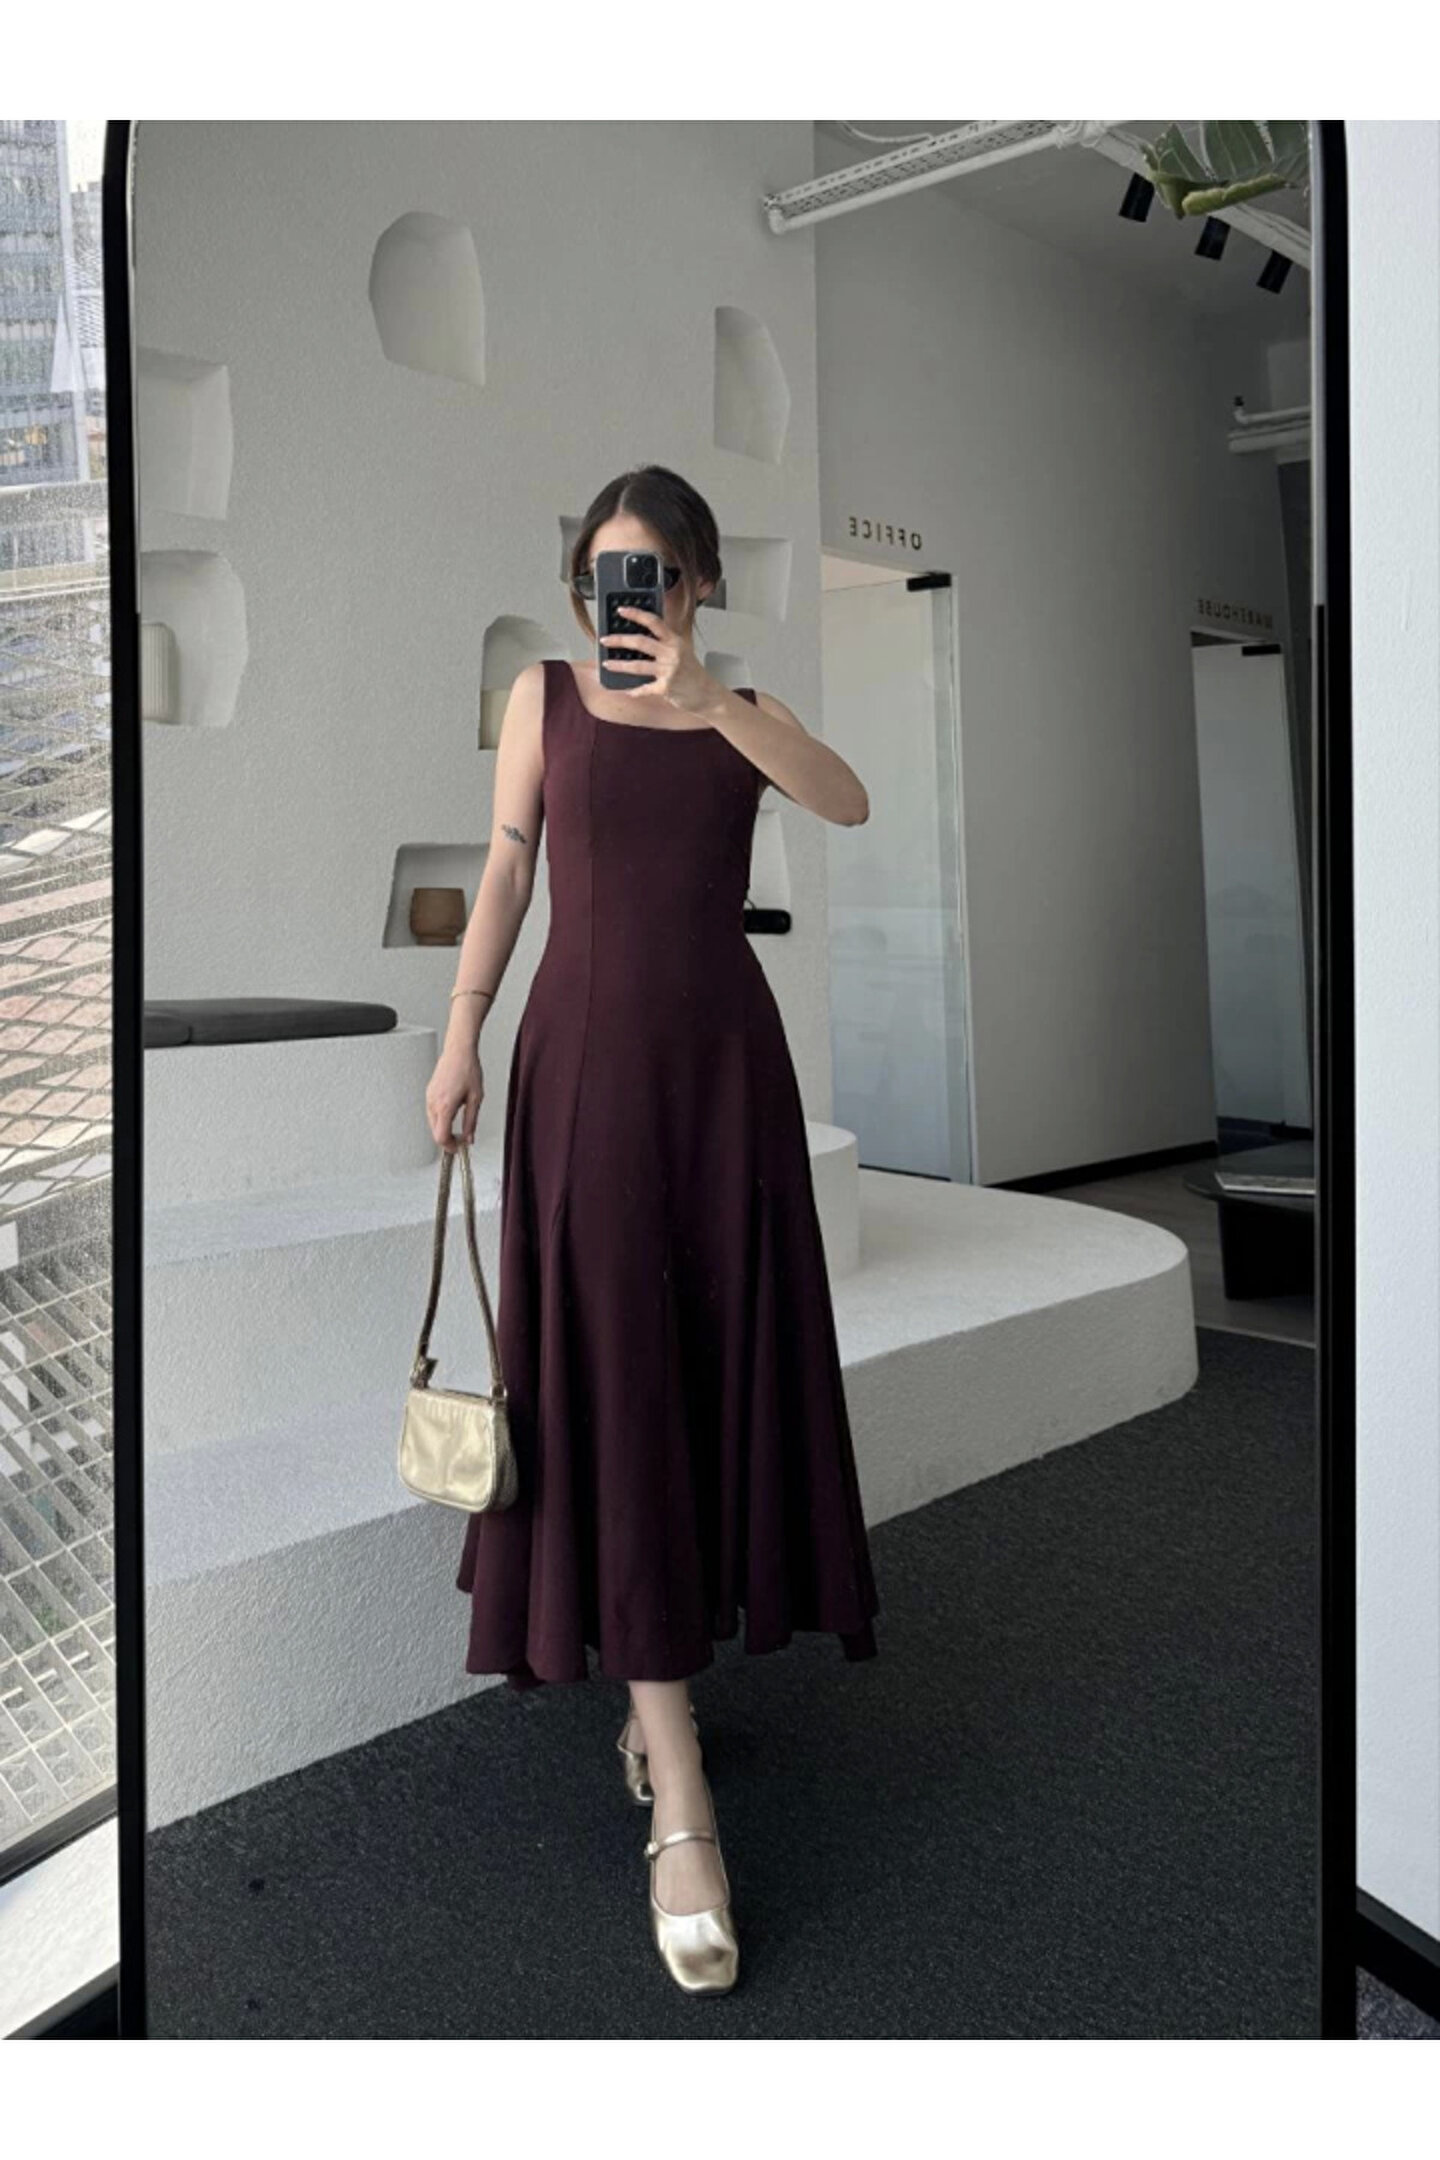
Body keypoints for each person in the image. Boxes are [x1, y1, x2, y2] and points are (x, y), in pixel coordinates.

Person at [425, 464, 880, 1996]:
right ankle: (677, 1784)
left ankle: (657, 1687)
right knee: (614, 1384)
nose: (629, 604)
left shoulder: (738, 710)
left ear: (697, 584)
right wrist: (461, 1031)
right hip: (581, 1074)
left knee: (702, 1370)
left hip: (724, 1079)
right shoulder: (544, 699)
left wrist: (710, 701)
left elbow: (848, 801)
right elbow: (508, 865)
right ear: (583, 588)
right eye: (606, 578)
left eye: (658, 578)